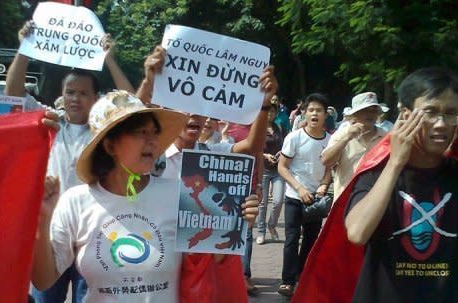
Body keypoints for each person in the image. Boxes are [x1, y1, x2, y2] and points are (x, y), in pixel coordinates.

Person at [33, 91, 260, 302]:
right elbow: (43, 280)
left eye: (155, 133)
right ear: (110, 144)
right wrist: (42, 220)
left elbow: (210, 263)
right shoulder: (75, 201)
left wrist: (235, 223)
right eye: (142, 132)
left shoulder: (180, 195)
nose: (153, 141)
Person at [136, 45, 278, 295]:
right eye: (185, 107)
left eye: (200, 110)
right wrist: (148, 81)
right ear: (169, 112)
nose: (193, 114)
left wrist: (263, 105)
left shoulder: (212, 155)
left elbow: (253, 146)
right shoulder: (151, 157)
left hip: (199, 264)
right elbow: (129, 130)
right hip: (156, 256)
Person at [7, 22, 131, 303]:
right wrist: (24, 49)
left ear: (96, 98)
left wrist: (110, 59)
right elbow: (13, 94)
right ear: (62, 95)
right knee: (44, 298)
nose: (75, 98)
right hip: (51, 233)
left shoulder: (105, 132)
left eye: (83, 93)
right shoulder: (47, 122)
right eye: (70, 92)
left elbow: (133, 103)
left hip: (94, 234)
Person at [344, 67, 458, 302]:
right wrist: (395, 163)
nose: (440, 124)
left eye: (450, 113)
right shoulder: (377, 172)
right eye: (430, 112)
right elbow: (357, 232)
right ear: (406, 116)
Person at [277, 94, 332, 297]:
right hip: (294, 195)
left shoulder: (331, 141)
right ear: (304, 113)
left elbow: (329, 170)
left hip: (316, 199)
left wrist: (324, 186)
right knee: (292, 238)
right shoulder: (294, 137)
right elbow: (282, 167)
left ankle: (303, 276)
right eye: (311, 110)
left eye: (319, 110)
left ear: (326, 115)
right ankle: (287, 281)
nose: (314, 113)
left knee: (311, 239)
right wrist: (299, 189)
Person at [321, 92, 388, 199]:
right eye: (365, 110)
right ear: (355, 115)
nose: (370, 114)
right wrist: (347, 138)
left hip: (377, 200)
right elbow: (326, 161)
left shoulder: (386, 136)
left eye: (374, 110)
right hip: (347, 200)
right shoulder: (342, 134)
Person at [255, 103, 285, 244]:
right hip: (263, 169)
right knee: (262, 203)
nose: (270, 114)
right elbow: (254, 147)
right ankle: (261, 231)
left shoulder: (279, 128)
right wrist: (265, 155)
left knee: (278, 201)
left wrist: (281, 153)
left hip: (278, 169)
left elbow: (286, 145)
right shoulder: (258, 128)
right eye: (267, 112)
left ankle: (272, 225)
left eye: (272, 112)